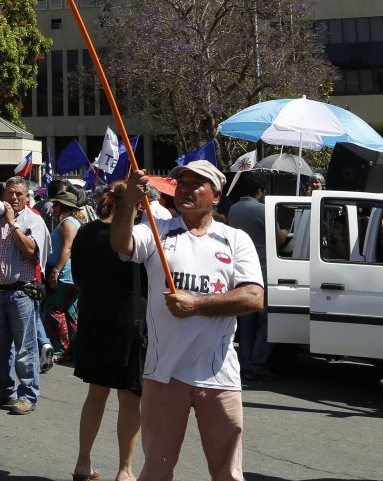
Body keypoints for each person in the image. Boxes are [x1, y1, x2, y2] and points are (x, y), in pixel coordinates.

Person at [111, 159, 264, 481]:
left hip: (219, 375)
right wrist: (127, 203)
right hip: (163, 373)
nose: (186, 189)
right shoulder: (157, 229)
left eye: (197, 184)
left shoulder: (235, 240)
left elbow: (253, 298)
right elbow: (121, 244)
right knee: (156, 470)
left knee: (228, 474)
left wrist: (196, 304)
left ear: (216, 195)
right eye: (182, 183)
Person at [70, 182, 147, 481]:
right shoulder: (140, 234)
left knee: (96, 394)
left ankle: (82, 462)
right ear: (136, 203)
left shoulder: (86, 231)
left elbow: (77, 277)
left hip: (94, 319)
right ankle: (124, 470)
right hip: (132, 322)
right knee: (129, 399)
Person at [0, 175, 50, 416]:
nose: (13, 197)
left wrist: (12, 223)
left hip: (20, 293)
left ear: (27, 197)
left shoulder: (32, 220)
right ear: (3, 195)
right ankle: (4, 389)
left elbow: (29, 251)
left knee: (25, 348)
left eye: (19, 194)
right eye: (9, 193)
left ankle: (27, 395)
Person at [227, 172, 285, 382]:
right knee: (267, 319)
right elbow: (278, 238)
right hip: (263, 269)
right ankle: (257, 363)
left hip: (239, 269)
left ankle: (246, 362)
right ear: (259, 192)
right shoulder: (263, 209)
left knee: (247, 319)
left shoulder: (233, 209)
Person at [44, 185, 85, 363]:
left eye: (55, 205)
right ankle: (76, 348)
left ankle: (61, 349)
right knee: (70, 313)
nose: (53, 208)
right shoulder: (71, 222)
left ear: (63, 206)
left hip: (65, 275)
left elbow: (67, 248)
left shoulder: (68, 223)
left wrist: (55, 271)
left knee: (54, 310)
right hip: (71, 274)